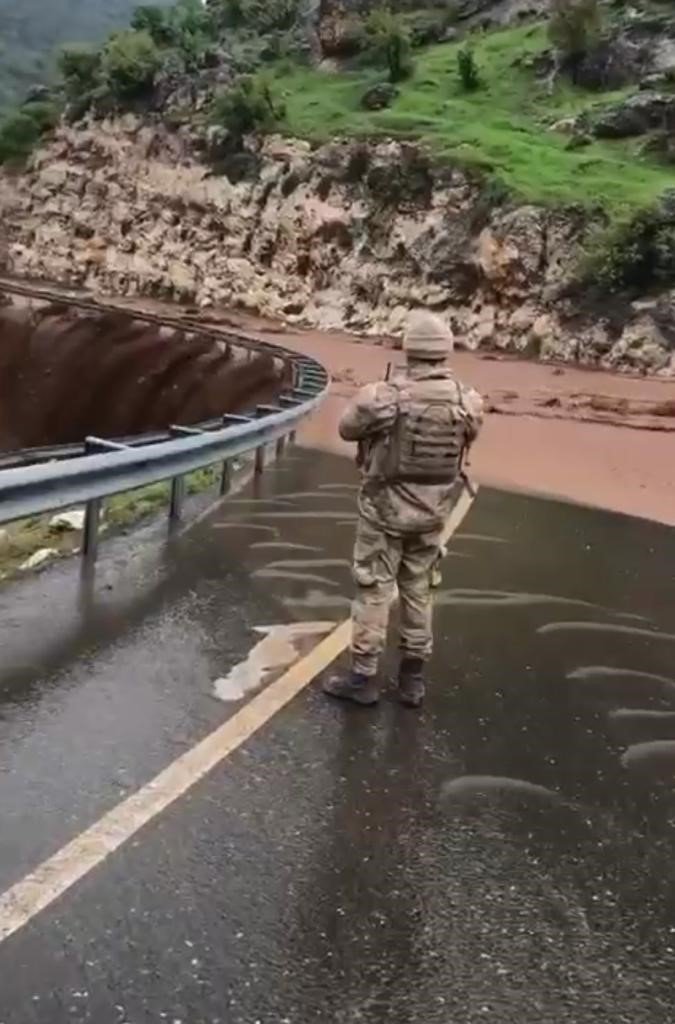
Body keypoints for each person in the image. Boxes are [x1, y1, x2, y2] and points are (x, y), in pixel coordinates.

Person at [324, 310, 484, 709]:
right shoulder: (469, 399)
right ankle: (412, 680)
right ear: (445, 351)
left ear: (409, 350)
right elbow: (470, 436)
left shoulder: (383, 396)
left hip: (383, 511)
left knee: (374, 589)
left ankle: (364, 677)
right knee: (420, 589)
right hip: (433, 515)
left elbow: (347, 428)